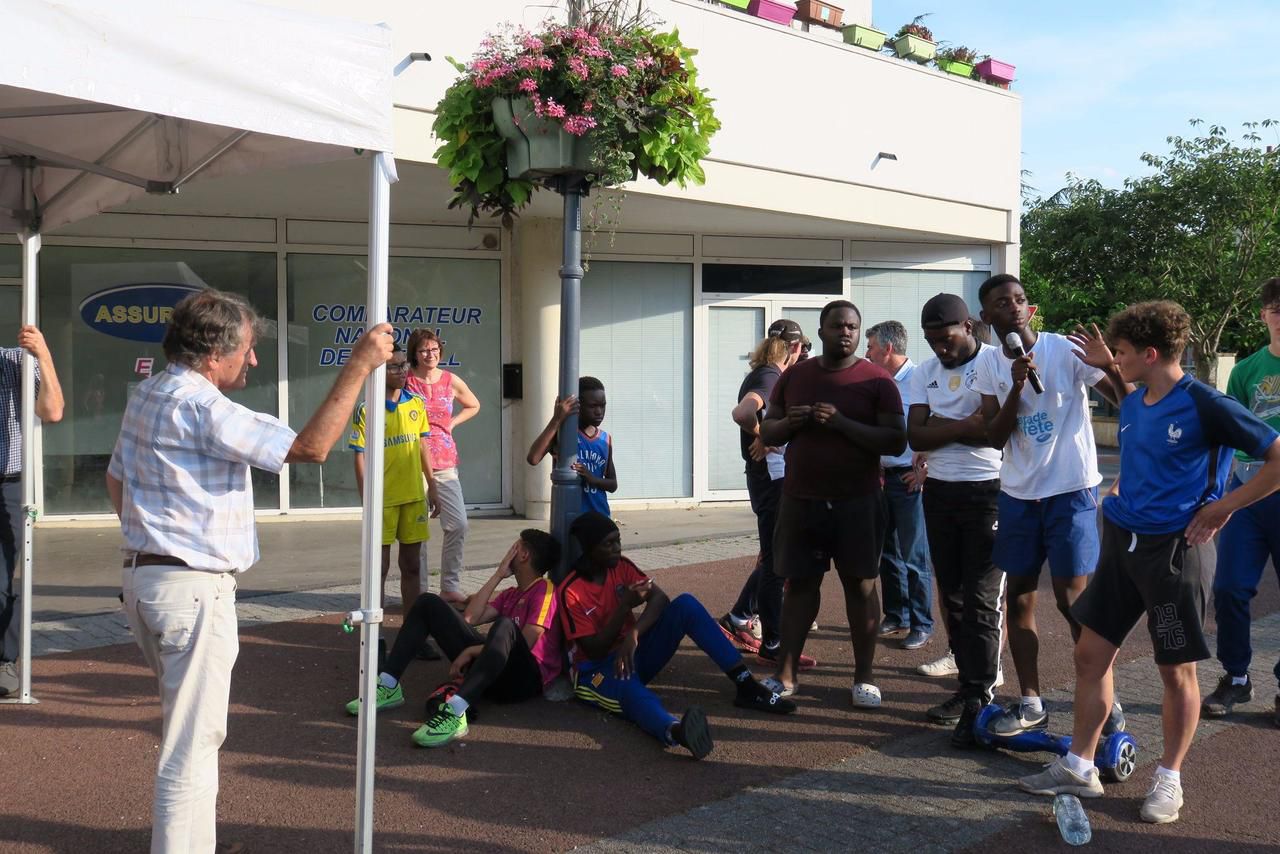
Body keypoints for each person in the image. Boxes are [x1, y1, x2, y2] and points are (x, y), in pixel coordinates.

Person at [107, 289, 394, 853]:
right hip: (191, 589)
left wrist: (157, 532)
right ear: (215, 352)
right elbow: (311, 448)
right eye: (250, 349)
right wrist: (359, 363)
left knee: (193, 736)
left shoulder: (148, 393)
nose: (254, 360)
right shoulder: (204, 406)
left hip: (148, 581)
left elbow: (115, 480)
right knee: (190, 747)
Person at [1018, 300, 1280, 824]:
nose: (1114, 358)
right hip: (1123, 546)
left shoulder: (1206, 404)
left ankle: (1169, 780)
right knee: (1091, 655)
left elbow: (1277, 458)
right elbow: (1131, 400)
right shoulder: (1137, 398)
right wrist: (1109, 369)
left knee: (1175, 670)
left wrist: (1224, 505)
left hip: (1174, 552)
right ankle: (1080, 765)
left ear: (1151, 353)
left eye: (1121, 352)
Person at [970, 274, 1130, 735]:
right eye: (1003, 303)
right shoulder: (988, 367)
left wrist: (1113, 369)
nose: (1014, 308)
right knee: (1018, 598)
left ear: (1030, 310)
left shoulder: (1066, 349)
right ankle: (1031, 700)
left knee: (1073, 599)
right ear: (988, 317)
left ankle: (1105, 698)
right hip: (1018, 495)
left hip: (1071, 492)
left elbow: (1127, 401)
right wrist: (1016, 387)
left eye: (1020, 300)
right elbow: (994, 437)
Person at [760, 299, 907, 707]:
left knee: (861, 586)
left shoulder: (877, 380)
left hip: (858, 500)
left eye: (853, 327)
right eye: (838, 325)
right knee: (800, 585)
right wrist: (793, 422)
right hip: (801, 498)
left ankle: (864, 677)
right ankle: (785, 673)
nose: (846, 332)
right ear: (821, 330)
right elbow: (768, 431)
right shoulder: (796, 377)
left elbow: (896, 441)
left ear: (859, 333)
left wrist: (841, 422)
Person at [557, 511, 796, 759]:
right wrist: (624, 607)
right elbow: (593, 650)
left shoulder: (622, 566)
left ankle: (747, 686)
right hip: (595, 671)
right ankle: (676, 731)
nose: (618, 548)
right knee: (630, 691)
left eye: (618, 540)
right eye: (609, 544)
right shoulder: (571, 591)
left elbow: (660, 597)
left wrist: (634, 634)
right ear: (590, 549)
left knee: (685, 605)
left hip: (631, 653)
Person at [345, 529, 564, 747]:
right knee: (427, 602)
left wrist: (471, 651)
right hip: (495, 671)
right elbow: (470, 617)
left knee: (504, 625)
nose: (509, 553)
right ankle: (389, 684)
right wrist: (498, 575)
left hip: (523, 680)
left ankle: (456, 711)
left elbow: (527, 641)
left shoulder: (544, 590)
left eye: (514, 548)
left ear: (523, 554)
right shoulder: (511, 593)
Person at [906, 294, 1005, 747]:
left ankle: (980, 697)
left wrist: (942, 428)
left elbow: (995, 431)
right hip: (939, 492)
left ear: (967, 325)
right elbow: (915, 434)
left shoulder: (995, 362)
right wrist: (965, 424)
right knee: (954, 596)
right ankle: (968, 690)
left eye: (945, 339)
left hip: (989, 491)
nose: (939, 349)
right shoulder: (925, 373)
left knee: (982, 600)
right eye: (931, 341)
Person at [1202, 277, 1280, 727]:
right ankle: (1235, 676)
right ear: (1263, 314)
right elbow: (1228, 436)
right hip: (1248, 492)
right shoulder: (1246, 369)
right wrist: (1218, 494)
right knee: (1230, 587)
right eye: (1274, 306)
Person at [720, 318, 807, 666]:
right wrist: (762, 436)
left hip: (765, 480)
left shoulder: (762, 372)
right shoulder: (771, 376)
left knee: (772, 555)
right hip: (769, 482)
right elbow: (742, 412)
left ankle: (744, 616)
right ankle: (773, 640)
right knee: (776, 562)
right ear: (796, 349)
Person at [350, 344, 439, 615]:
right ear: (379, 370)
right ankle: (373, 635)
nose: (402, 371)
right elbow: (359, 456)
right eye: (394, 366)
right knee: (379, 568)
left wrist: (432, 485)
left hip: (413, 498)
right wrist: (368, 499)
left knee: (412, 566)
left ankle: (413, 632)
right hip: (383, 502)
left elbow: (423, 447)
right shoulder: (367, 409)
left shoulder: (416, 403)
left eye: (404, 365)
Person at [0, 325, 64, 696]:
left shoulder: (14, 361)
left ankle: (5, 660)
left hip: (9, 482)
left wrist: (43, 354)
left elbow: (52, 411)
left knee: (3, 579)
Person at [865, 320, 933, 650]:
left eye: (871, 347)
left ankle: (922, 623)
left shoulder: (921, 380)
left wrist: (926, 469)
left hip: (909, 480)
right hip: (882, 479)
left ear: (888, 349)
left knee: (915, 556)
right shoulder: (877, 382)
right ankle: (897, 615)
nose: (867, 353)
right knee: (887, 554)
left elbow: (939, 424)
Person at [404, 328, 481, 607]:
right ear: (415, 353)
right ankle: (420, 590)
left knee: (458, 524)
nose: (430, 354)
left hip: (445, 460)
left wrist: (452, 423)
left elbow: (473, 404)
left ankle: (449, 585)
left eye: (434, 349)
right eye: (424, 350)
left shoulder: (450, 379)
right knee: (418, 531)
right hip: (411, 460)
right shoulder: (406, 380)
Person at [527, 376, 616, 516]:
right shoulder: (564, 435)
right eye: (593, 406)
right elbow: (533, 458)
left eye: (602, 405)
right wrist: (557, 418)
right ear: (578, 406)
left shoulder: (605, 439)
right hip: (572, 518)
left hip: (600, 517)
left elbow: (613, 484)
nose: (599, 411)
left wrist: (592, 479)